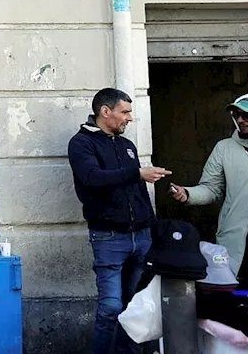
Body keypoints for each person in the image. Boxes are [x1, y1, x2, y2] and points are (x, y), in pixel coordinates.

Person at [67, 88, 168, 354]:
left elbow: (139, 193)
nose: (129, 118)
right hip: (108, 238)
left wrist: (153, 227)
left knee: (138, 306)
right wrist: (136, 173)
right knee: (111, 307)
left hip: (142, 236)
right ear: (105, 112)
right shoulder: (81, 143)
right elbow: (92, 178)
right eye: (125, 112)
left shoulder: (126, 145)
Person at [169, 92, 248, 282]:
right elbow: (211, 188)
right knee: (244, 301)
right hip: (241, 244)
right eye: (236, 115)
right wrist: (188, 194)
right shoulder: (225, 148)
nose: (240, 120)